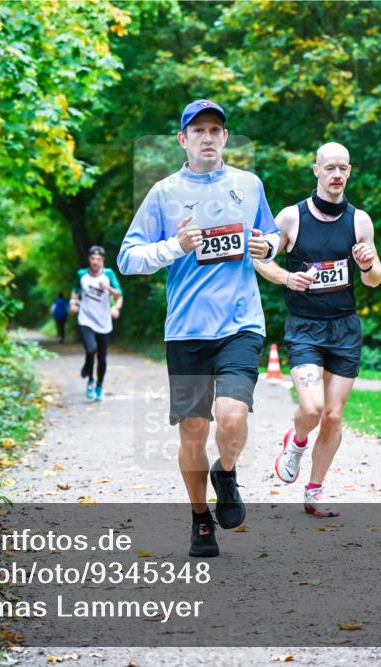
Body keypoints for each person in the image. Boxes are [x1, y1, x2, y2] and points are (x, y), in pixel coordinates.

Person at [118, 99, 281, 557]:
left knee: (231, 416)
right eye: (199, 131)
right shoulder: (163, 193)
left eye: (215, 130)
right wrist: (174, 245)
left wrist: (264, 246)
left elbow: (273, 238)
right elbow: (128, 259)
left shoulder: (248, 186)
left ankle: (225, 472)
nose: (207, 138)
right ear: (183, 139)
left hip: (240, 323)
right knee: (192, 430)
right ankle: (199, 519)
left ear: (225, 138)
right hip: (187, 330)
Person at [254, 142, 381, 517]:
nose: (337, 175)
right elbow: (261, 259)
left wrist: (368, 263)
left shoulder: (360, 221)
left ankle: (314, 490)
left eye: (343, 168)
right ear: (316, 171)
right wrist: (286, 278)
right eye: (330, 168)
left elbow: (375, 279)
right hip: (305, 328)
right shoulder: (292, 218)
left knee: (333, 416)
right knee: (312, 409)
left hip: (344, 328)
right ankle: (295, 442)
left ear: (350, 171)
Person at [70, 246, 123, 401]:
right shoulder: (81, 274)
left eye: (99, 259)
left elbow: (119, 294)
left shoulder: (109, 274)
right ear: (89, 259)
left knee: (102, 358)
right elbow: (75, 291)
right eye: (93, 259)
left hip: (104, 321)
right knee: (91, 348)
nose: (95, 262)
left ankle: (100, 384)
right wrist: (73, 303)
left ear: (103, 261)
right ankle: (90, 380)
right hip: (86, 319)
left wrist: (110, 292)